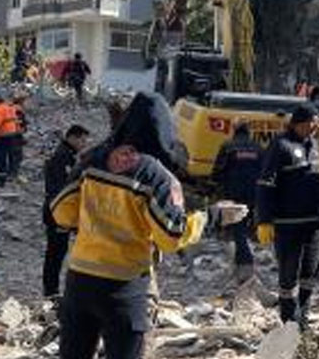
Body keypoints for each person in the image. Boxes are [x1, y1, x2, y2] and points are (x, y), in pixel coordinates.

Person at [50, 92, 244, 359]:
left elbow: (61, 213)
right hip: (124, 287)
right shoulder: (156, 174)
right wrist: (211, 217)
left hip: (80, 281)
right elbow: (171, 236)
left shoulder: (93, 158)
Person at [256, 106, 319, 326]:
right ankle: (288, 320)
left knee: (310, 273)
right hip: (288, 224)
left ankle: (302, 319)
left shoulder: (314, 145)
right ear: (297, 123)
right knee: (289, 275)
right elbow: (265, 184)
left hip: (313, 223)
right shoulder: (280, 145)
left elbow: (317, 181)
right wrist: (264, 220)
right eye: (311, 122)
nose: (315, 126)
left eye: (317, 122)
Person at [43, 123, 90, 298]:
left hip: (62, 210)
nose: (84, 144)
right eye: (82, 140)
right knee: (55, 253)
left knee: (59, 252)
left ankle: (54, 290)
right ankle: (51, 291)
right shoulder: (62, 157)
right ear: (72, 137)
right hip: (57, 211)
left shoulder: (69, 155)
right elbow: (61, 187)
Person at [212, 122, 262, 283]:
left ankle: (245, 264)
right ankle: (246, 260)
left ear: (235, 132)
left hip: (234, 192)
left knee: (238, 228)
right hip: (254, 193)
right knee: (248, 226)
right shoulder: (258, 147)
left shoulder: (228, 146)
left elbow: (217, 171)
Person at [0, 96, 25, 186]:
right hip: (12, 134)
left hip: (2, 135)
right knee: (12, 155)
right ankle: (12, 174)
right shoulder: (9, 107)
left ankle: (0, 177)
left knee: (0, 156)